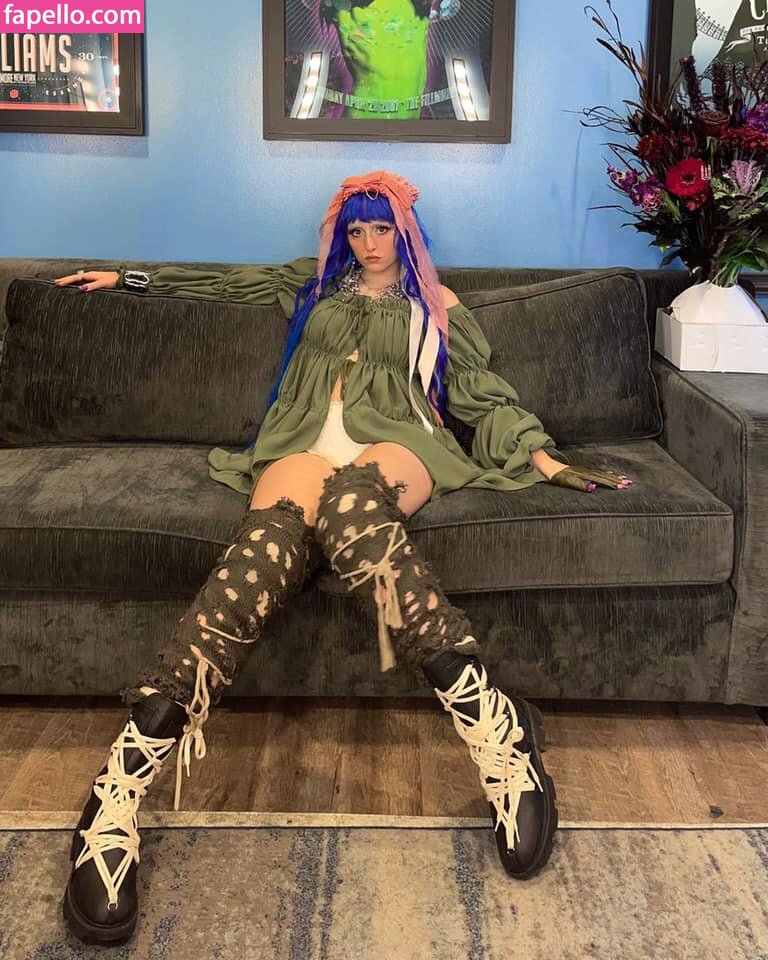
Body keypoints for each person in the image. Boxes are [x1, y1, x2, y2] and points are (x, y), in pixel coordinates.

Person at [53, 169, 633, 946]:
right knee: (262, 552)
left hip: (399, 443)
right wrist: (127, 278)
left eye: (380, 228)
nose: (368, 244)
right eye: (355, 230)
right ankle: (119, 789)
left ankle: (494, 737)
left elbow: (484, 397)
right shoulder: (311, 287)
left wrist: (547, 460)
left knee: (354, 508)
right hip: (302, 445)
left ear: (405, 231)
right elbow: (220, 287)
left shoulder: (438, 307)